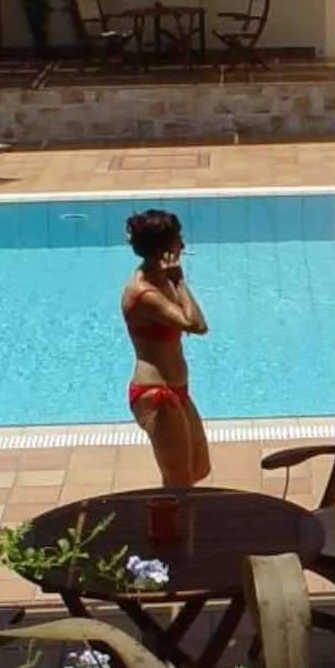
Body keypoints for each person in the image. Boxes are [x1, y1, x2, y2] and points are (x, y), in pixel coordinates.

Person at [121, 207, 211, 488]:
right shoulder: (144, 292)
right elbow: (196, 325)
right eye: (177, 240)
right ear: (164, 248)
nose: (183, 245)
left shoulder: (160, 279)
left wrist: (173, 280)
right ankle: (169, 529)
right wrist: (179, 280)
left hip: (177, 388)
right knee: (179, 481)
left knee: (198, 469)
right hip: (156, 393)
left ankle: (170, 522)